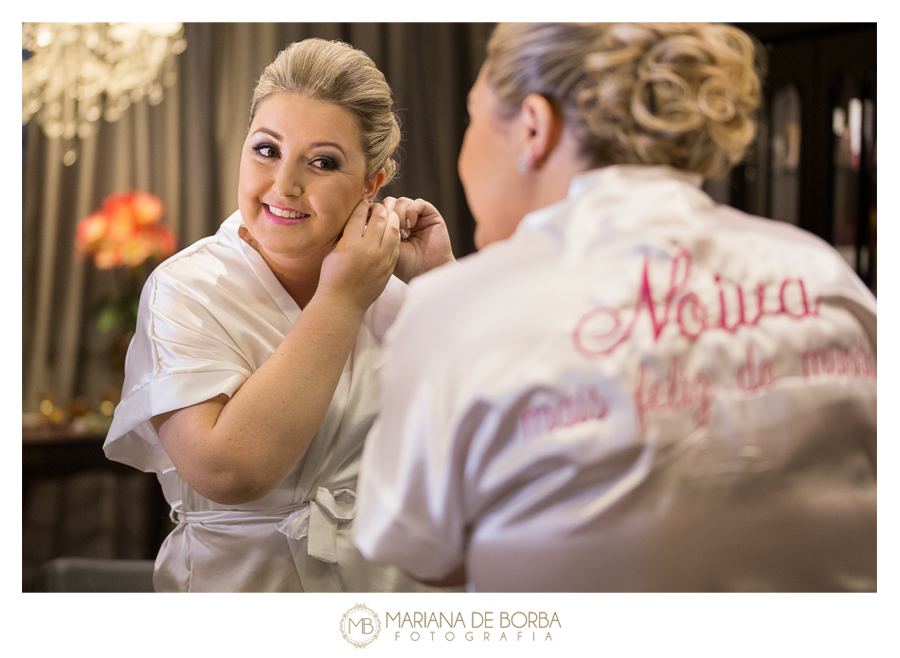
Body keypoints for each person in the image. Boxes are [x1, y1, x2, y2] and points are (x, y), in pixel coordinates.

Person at [353, 23, 877, 592]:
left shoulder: (449, 315)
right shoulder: (823, 273)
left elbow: (423, 552)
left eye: (472, 117)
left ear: (534, 126)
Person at [104, 38, 455, 592]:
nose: (284, 185)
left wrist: (441, 287)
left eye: (322, 162)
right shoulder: (186, 288)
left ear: (372, 184)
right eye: (267, 150)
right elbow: (227, 470)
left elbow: (483, 453)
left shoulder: (400, 297)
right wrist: (340, 301)